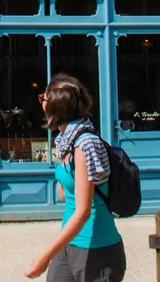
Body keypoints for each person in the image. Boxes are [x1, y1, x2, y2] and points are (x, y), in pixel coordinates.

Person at [25, 74, 124, 282]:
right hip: (70, 244)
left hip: (97, 249)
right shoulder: (66, 141)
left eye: (44, 98)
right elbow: (64, 195)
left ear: (57, 108)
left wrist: (45, 257)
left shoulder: (85, 144)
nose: (41, 102)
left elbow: (83, 212)